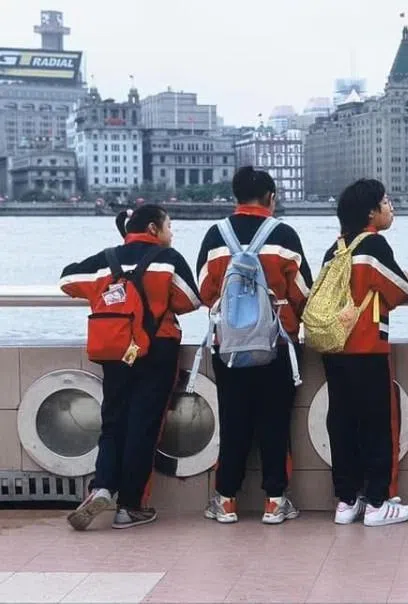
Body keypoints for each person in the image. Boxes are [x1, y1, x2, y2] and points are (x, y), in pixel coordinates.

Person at [60, 205, 201, 530]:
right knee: (144, 425)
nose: (172, 233)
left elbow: (67, 280)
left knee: (113, 421)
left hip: (115, 349)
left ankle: (103, 486)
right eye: (169, 226)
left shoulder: (104, 259)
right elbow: (192, 300)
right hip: (157, 349)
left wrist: (106, 293)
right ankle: (130, 507)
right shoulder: (169, 259)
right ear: (153, 228)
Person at [197, 166, 313, 525]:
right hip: (276, 344)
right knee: (275, 423)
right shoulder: (285, 235)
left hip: (229, 346)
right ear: (271, 197)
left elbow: (204, 292)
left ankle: (226, 501)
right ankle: (275, 501)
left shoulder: (216, 235)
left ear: (235, 197)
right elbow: (304, 293)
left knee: (233, 422)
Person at [321, 178, 408, 527]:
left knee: (342, 421)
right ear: (371, 213)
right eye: (386, 202)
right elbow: (400, 289)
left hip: (334, 346)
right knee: (377, 423)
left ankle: (346, 501)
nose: (391, 208)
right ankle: (377, 502)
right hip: (366, 347)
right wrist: (404, 276)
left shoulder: (336, 249)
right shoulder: (374, 246)